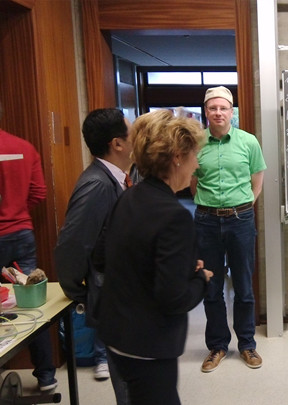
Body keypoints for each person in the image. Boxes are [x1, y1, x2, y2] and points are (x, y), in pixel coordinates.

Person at [96, 110, 213, 405]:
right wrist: (201, 279)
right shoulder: (174, 216)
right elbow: (174, 299)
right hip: (146, 344)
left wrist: (178, 266)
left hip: (117, 333)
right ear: (177, 157)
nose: (197, 164)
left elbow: (106, 256)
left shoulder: (129, 196)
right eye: (194, 155)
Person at [53, 108, 132, 403]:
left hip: (120, 292)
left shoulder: (115, 178)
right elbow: (71, 246)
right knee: (128, 381)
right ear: (117, 144)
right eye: (132, 131)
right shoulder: (97, 184)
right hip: (110, 295)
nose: (137, 136)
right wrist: (80, 293)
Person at [193, 86, 266, 372]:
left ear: (231, 111)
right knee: (211, 287)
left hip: (240, 220)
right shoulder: (196, 143)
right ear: (206, 112)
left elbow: (257, 178)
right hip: (206, 222)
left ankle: (247, 344)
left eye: (223, 108)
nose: (218, 113)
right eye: (213, 108)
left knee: (244, 286)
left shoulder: (248, 141)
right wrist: (210, 206)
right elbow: (192, 181)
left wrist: (243, 205)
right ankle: (217, 346)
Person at [0, 101, 57, 391]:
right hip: (21, 233)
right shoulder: (24, 147)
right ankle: (46, 376)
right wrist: (17, 210)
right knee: (32, 304)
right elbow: (39, 192)